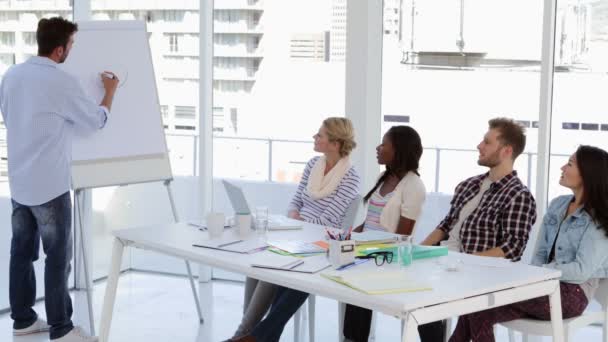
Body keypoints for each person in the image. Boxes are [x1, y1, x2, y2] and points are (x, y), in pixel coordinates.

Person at [0, 17, 119, 342]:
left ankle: (23, 320)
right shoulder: (61, 82)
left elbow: (11, 117)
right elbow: (95, 121)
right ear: (58, 49)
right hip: (50, 186)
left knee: (21, 253)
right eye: (71, 45)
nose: (72, 50)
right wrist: (110, 92)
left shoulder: (11, 75)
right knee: (57, 258)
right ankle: (62, 330)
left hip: (20, 184)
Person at [449, 145, 608, 342]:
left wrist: (542, 272)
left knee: (479, 306)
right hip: (541, 284)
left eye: (569, 164)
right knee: (476, 303)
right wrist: (538, 275)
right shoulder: (558, 204)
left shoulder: (599, 219)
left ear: (587, 174)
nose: (562, 168)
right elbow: (539, 253)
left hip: (571, 295)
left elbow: (581, 270)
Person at [226, 117, 360, 341]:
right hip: (297, 234)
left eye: (320, 135)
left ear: (335, 144)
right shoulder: (312, 165)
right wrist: (295, 218)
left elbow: (329, 221)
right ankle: (248, 333)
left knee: (272, 265)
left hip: (322, 243)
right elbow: (295, 202)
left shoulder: (350, 177)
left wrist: (299, 220)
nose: (314, 137)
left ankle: (242, 335)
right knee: (257, 261)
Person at [418, 117, 537, 341]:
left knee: (437, 300)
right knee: (416, 296)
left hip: (479, 274)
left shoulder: (519, 196)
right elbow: (446, 225)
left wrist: (465, 262)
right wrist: (417, 251)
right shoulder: (469, 185)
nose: (479, 146)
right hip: (447, 263)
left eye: (487, 142)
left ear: (506, 151)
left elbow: (512, 249)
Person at [342, 125, 427, 341]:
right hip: (366, 250)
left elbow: (402, 238)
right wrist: (349, 237)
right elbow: (370, 221)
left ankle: (354, 337)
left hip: (387, 256)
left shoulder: (414, 185)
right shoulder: (383, 176)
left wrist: (364, 248)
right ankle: (353, 337)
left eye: (384, 144)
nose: (378, 148)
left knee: (356, 278)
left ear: (399, 149)